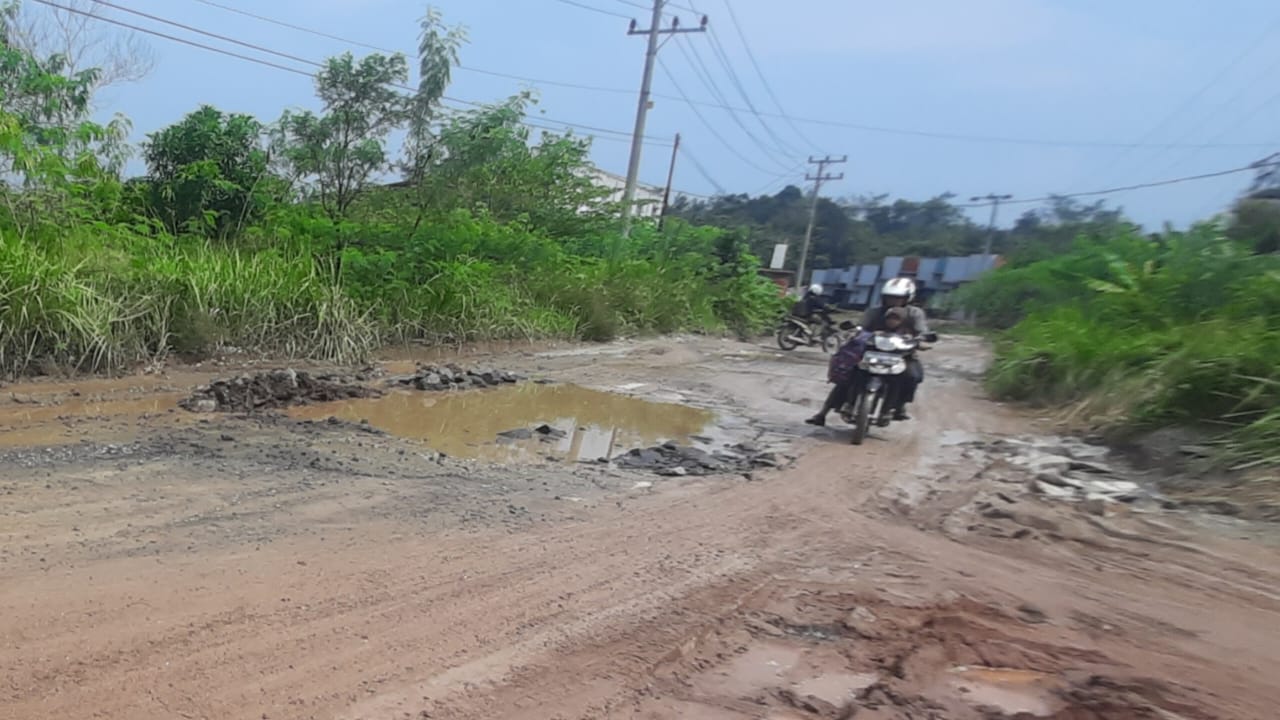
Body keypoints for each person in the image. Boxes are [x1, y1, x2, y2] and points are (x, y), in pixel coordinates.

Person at [805, 307, 908, 427]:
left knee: (906, 378)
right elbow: (860, 330)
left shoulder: (906, 332)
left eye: (896, 319)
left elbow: (919, 339)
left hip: (893, 363)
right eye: (890, 318)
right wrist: (856, 333)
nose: (892, 321)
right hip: (869, 359)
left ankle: (893, 409)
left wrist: (916, 343)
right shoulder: (874, 317)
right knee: (848, 377)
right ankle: (824, 413)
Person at [859, 278, 928, 421]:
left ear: (908, 298)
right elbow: (861, 327)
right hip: (872, 352)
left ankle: (899, 405)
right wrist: (857, 332)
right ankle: (839, 403)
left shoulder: (914, 313)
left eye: (898, 298)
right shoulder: (874, 312)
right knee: (849, 371)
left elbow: (922, 331)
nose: (893, 301)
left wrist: (920, 340)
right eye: (889, 297)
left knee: (913, 376)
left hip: (901, 354)